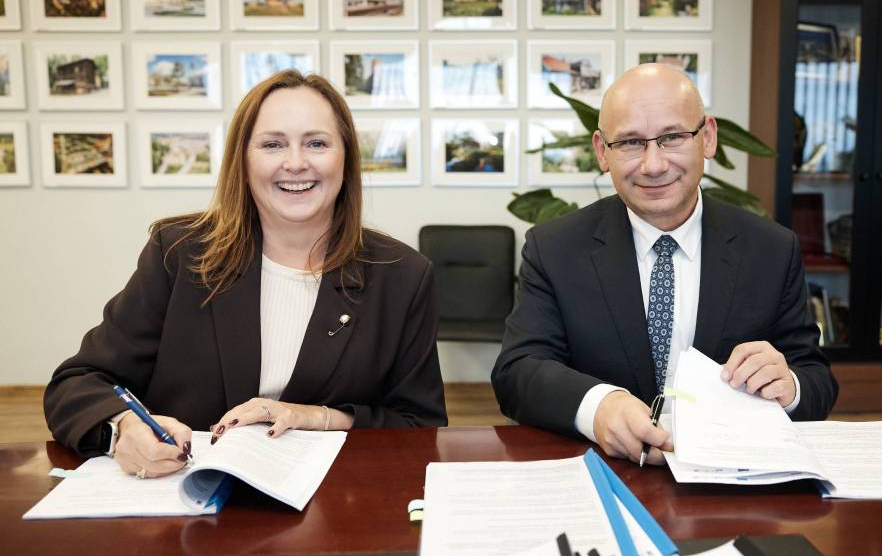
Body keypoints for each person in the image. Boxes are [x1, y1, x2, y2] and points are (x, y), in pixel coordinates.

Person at [45, 70, 447, 478]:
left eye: (317, 143)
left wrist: (317, 416)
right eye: (272, 144)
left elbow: (420, 425)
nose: (296, 163)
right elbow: (77, 384)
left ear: (346, 157)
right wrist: (121, 429)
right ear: (244, 158)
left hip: (334, 497)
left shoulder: (403, 276)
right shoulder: (180, 253)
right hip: (187, 495)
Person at [492, 63, 838, 465]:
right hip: (602, 470)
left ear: (707, 138)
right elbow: (518, 372)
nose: (653, 165)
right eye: (630, 142)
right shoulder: (554, 248)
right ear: (602, 152)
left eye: (672, 137)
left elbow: (815, 378)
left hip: (732, 474)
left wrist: (788, 386)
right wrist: (599, 406)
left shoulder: (771, 249)